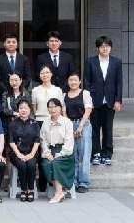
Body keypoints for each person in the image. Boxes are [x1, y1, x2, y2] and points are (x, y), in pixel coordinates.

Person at [84, 35, 123, 166]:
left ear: (110, 48)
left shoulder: (116, 62)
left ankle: (107, 153)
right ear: (97, 48)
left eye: (107, 46)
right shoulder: (90, 61)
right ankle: (95, 153)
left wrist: (118, 100)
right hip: (94, 101)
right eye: (102, 46)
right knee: (94, 128)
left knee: (108, 129)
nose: (105, 48)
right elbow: (87, 82)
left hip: (110, 101)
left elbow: (119, 83)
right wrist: (88, 101)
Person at [31, 64, 64, 192]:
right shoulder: (35, 90)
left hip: (53, 122)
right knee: (41, 153)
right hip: (39, 121)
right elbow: (34, 108)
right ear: (39, 76)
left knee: (53, 150)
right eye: (42, 73)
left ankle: (53, 181)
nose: (44, 75)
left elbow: (61, 108)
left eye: (47, 72)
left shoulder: (57, 90)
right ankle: (42, 183)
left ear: (51, 74)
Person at [40, 98, 75, 203]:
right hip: (50, 151)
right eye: (50, 107)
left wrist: (59, 154)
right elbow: (43, 140)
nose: (52, 109)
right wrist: (47, 153)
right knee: (46, 164)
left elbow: (69, 142)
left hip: (64, 152)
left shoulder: (67, 122)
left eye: (55, 106)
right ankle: (60, 191)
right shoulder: (46, 122)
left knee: (55, 163)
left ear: (60, 108)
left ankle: (58, 193)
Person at [64, 71, 93, 193]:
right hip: (69, 125)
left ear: (80, 81)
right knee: (72, 154)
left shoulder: (85, 93)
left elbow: (88, 110)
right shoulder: (64, 95)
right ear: (68, 82)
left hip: (83, 125)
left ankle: (83, 182)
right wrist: (69, 127)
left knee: (84, 154)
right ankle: (73, 181)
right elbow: (64, 112)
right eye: (71, 80)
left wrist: (80, 126)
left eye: (75, 80)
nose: (73, 82)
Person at [8, 100, 41, 202]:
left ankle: (30, 190)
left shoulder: (35, 123)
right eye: (21, 108)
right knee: (22, 165)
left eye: (26, 108)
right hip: (16, 153)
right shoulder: (13, 123)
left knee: (31, 165)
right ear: (18, 110)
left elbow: (37, 141)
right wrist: (19, 154)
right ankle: (23, 190)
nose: (23, 110)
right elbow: (11, 141)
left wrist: (31, 154)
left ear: (30, 110)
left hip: (31, 152)